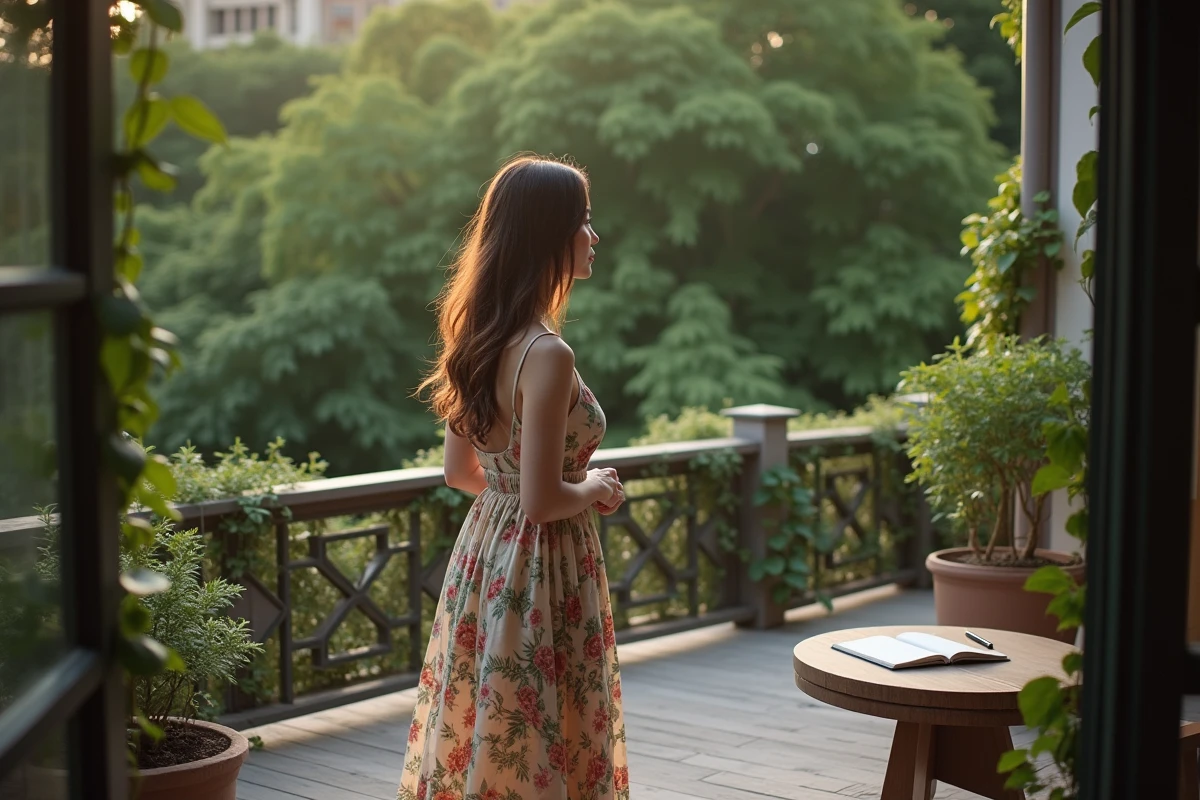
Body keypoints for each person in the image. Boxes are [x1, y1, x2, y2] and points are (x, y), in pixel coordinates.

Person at [401, 155, 630, 800]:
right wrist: (596, 488)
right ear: (548, 236)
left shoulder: (478, 337)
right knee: (549, 725)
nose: (593, 237)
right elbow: (542, 501)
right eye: (582, 223)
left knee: (491, 721)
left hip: (483, 562)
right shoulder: (547, 354)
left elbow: (459, 473)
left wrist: (518, 502)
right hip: (545, 566)